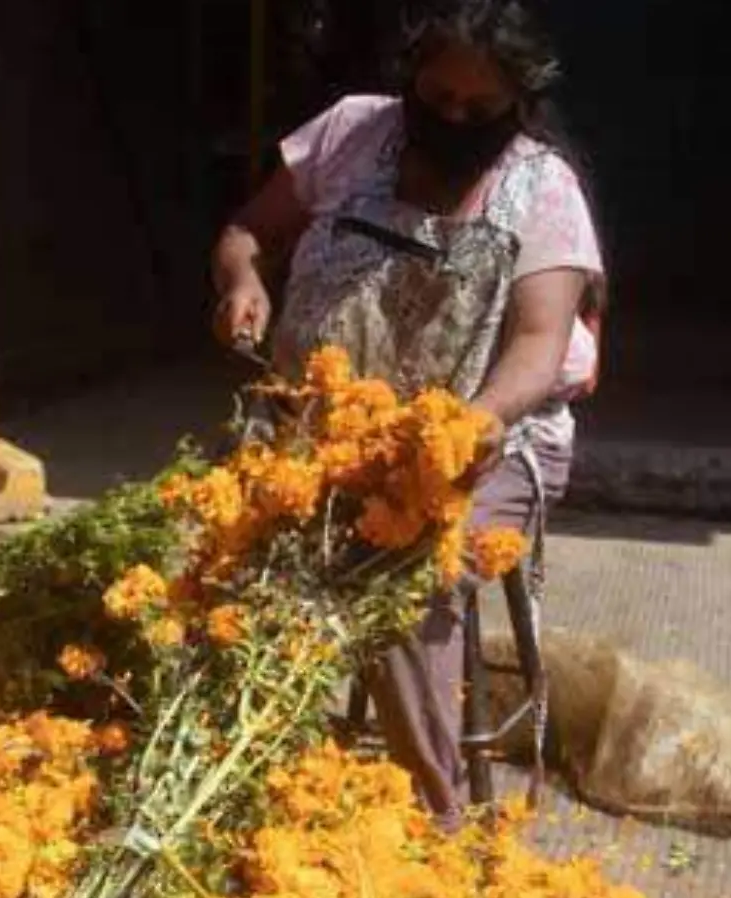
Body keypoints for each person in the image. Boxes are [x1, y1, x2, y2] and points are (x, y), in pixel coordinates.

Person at [209, 0, 606, 827]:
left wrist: (475, 423)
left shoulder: (544, 189)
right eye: (438, 97)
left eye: (479, 109)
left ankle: (434, 821)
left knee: (403, 574)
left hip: (488, 445)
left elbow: (538, 347)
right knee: (220, 556)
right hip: (323, 434)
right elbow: (249, 232)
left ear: (518, 105)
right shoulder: (354, 132)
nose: (453, 120)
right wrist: (242, 282)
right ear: (410, 82)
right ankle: (232, 786)